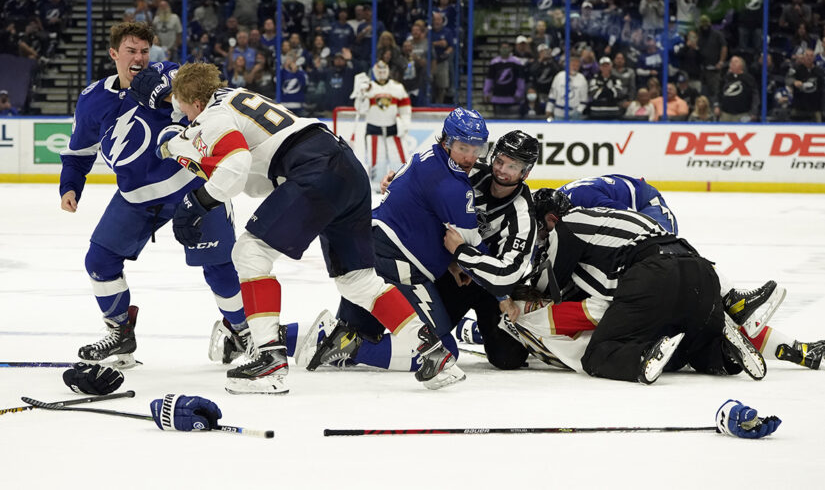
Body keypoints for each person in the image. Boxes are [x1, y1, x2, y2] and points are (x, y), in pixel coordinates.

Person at [163, 63, 467, 393]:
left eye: (182, 107)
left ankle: (268, 359)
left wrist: (199, 201)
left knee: (250, 252)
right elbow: (253, 177)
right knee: (358, 280)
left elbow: (235, 166)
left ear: (193, 101)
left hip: (314, 168)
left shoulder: (212, 114)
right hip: (346, 166)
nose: (185, 116)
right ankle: (432, 352)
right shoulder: (237, 96)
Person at [58, 22, 246, 370]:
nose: (139, 58)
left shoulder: (170, 73)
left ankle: (241, 333)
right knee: (99, 261)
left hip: (193, 187)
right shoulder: (92, 99)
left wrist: (163, 91)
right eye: (131, 51)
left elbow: (193, 95)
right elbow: (79, 152)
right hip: (136, 197)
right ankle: (119, 331)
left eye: (145, 51)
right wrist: (70, 185)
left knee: (219, 267)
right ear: (114, 53)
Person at [303, 130, 539, 373]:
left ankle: (471, 330)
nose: (502, 169)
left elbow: (506, 275)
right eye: (499, 160)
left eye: (513, 166)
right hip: (451, 275)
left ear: (526, 172)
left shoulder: (522, 215)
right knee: (374, 327)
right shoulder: (470, 171)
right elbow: (423, 183)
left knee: (507, 357)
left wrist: (462, 254)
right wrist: (397, 185)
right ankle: (283, 338)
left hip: (490, 290)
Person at [524, 189, 767, 384]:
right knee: (692, 350)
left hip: (654, 275)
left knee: (598, 354)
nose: (538, 237)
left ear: (551, 219)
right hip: (701, 272)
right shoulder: (606, 217)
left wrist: (517, 290)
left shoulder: (567, 225)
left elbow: (548, 285)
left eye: (538, 227)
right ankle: (725, 352)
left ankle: (640, 357)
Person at [351, 60, 412, 193]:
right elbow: (360, 109)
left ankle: (400, 186)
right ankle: (377, 189)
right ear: (374, 72)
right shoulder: (368, 87)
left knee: (399, 160)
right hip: (374, 130)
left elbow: (405, 109)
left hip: (394, 130)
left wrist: (405, 124)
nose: (382, 74)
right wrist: (360, 93)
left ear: (388, 71)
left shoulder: (397, 87)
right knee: (376, 163)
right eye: (379, 71)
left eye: (384, 71)